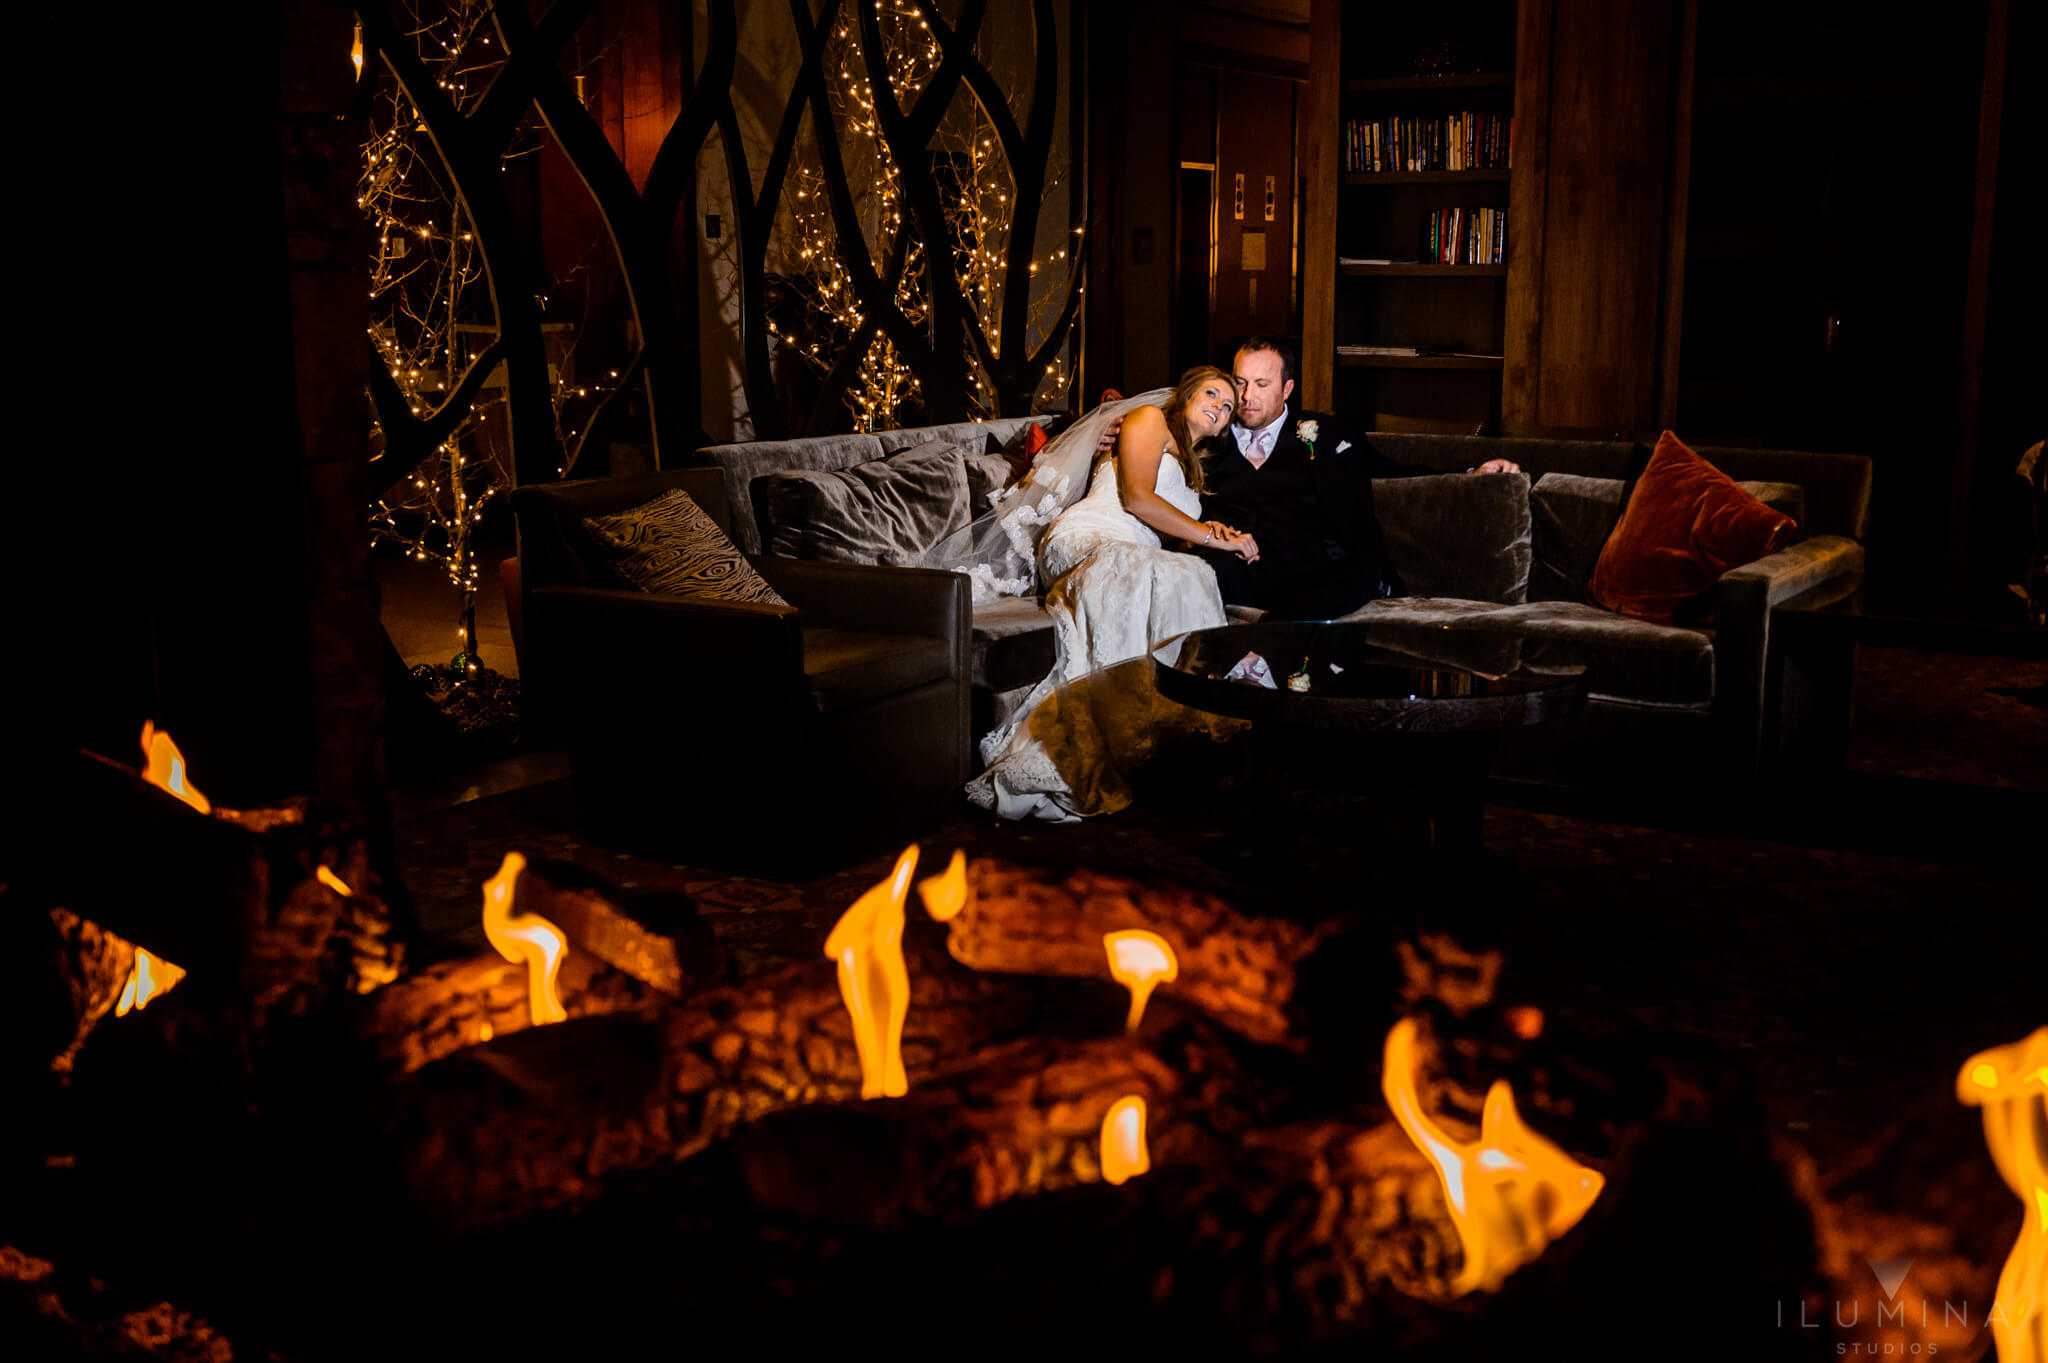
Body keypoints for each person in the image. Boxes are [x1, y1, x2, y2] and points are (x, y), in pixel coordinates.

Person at [960, 367, 1260, 822]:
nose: (1220, 407)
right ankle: (1104, 746)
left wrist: (1206, 530)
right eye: (1212, 394)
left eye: (1227, 408)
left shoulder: (1192, 470)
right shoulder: (1148, 420)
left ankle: (1166, 740)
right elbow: (1138, 500)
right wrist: (1209, 536)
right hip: (1088, 535)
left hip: (1134, 550)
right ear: (1184, 396)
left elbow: (1163, 523)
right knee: (1152, 566)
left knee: (1191, 574)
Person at [1194, 337, 1520, 619]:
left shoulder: (1325, 435)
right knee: (1202, 573)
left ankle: (1274, 637)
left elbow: (1390, 470)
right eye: (1240, 382)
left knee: (1353, 578)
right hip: (1237, 567)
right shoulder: (1211, 439)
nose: (1248, 395)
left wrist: (1472, 473)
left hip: (1308, 571)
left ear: (1287, 388)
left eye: (1262, 384)